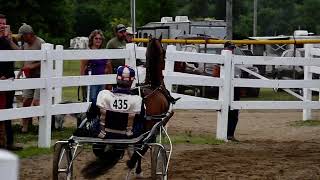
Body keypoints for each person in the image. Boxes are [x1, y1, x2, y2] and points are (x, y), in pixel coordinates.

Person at [96, 65, 142, 139]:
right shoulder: (137, 100)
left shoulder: (103, 94)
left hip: (104, 134)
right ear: (132, 81)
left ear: (117, 78)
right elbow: (140, 119)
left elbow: (92, 113)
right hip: (127, 136)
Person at [16, 23, 45, 133]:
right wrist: (21, 70)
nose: (21, 38)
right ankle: (25, 126)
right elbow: (24, 60)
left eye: (22, 36)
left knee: (37, 102)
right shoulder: (25, 45)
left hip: (40, 76)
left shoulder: (40, 43)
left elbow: (46, 61)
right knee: (26, 101)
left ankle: (42, 126)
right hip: (29, 77)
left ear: (28, 34)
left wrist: (32, 66)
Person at [0, 14, 22, 150]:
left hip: (9, 78)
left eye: (4, 24)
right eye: (0, 24)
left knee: (8, 110)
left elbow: (20, 53)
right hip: (0, 78)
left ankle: (9, 142)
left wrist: (9, 39)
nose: (2, 26)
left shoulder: (9, 39)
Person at [80, 29, 109, 104]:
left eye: (100, 39)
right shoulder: (88, 52)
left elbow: (107, 65)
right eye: (96, 38)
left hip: (102, 80)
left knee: (101, 101)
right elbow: (82, 68)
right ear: (92, 39)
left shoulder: (104, 52)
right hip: (92, 81)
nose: (98, 40)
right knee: (92, 100)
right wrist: (82, 82)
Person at [224, 41, 241, 141]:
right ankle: (226, 133)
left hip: (235, 88)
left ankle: (231, 134)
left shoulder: (236, 60)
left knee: (234, 112)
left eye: (233, 48)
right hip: (225, 88)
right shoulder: (221, 60)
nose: (232, 50)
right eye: (230, 48)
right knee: (226, 111)